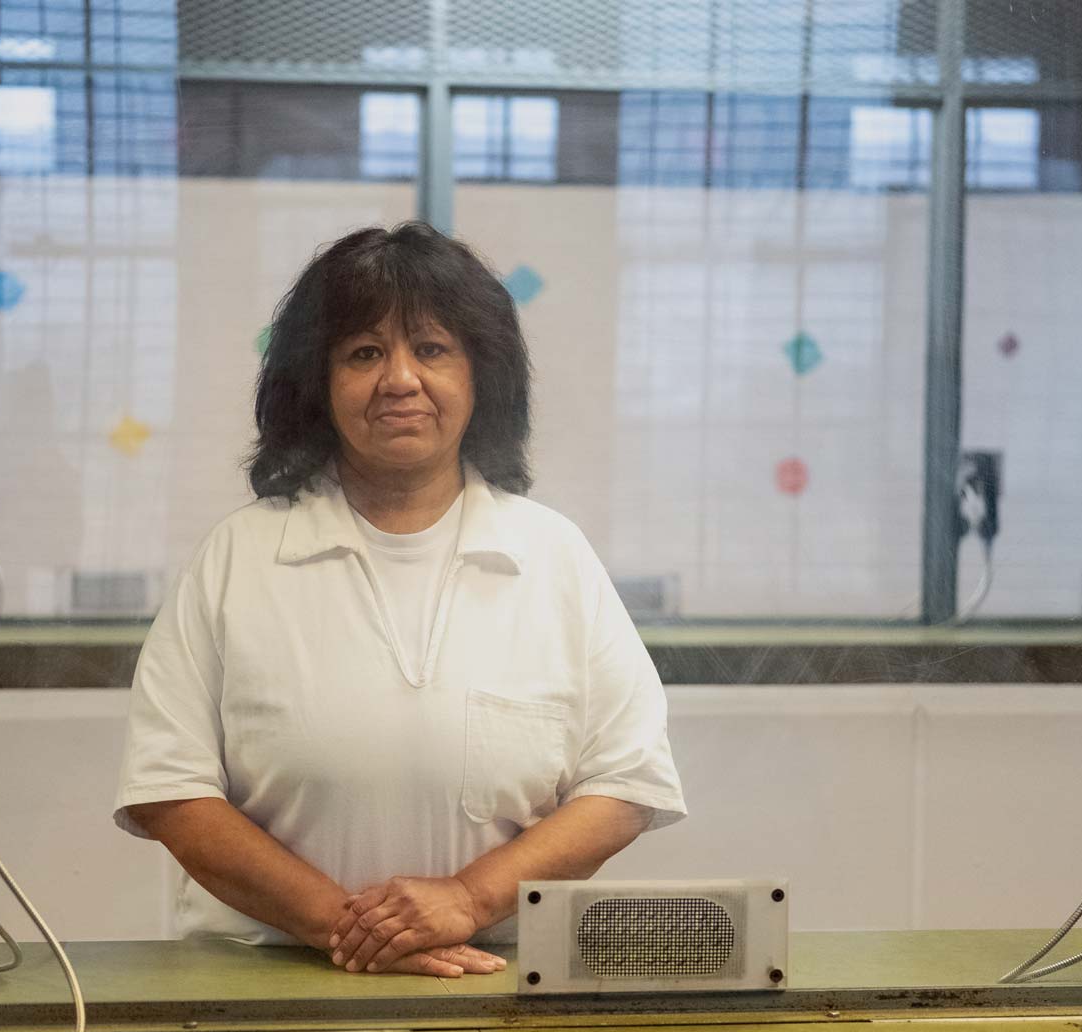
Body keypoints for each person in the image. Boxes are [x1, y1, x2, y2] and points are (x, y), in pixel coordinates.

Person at [112, 222, 687, 978]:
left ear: (483, 377)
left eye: (433, 349)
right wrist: (351, 930)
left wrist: (469, 900)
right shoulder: (236, 559)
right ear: (317, 384)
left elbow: (626, 783)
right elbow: (171, 792)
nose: (400, 380)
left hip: (494, 977)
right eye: (364, 353)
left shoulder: (553, 557)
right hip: (264, 981)